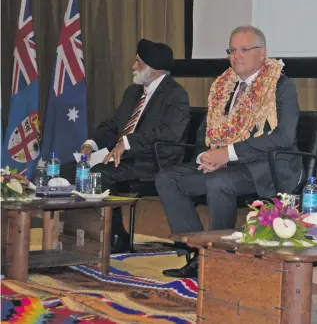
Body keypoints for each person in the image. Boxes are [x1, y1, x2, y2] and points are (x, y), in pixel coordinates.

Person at [155, 26, 302, 278]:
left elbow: (284, 136)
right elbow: (206, 132)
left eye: (244, 49)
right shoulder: (224, 85)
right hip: (224, 164)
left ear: (262, 53)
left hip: (264, 167)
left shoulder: (280, 85)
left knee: (218, 182)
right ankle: (198, 253)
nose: (236, 56)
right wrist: (206, 156)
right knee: (168, 178)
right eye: (232, 50)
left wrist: (229, 153)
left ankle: (219, 258)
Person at [60, 39, 190, 252]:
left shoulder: (176, 95)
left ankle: (115, 233)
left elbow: (170, 134)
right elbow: (113, 125)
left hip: (153, 161)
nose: (133, 67)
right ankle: (76, 234)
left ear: (154, 68)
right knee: (69, 169)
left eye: (139, 63)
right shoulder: (133, 92)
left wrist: (127, 142)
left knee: (98, 174)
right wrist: (90, 145)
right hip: (123, 159)